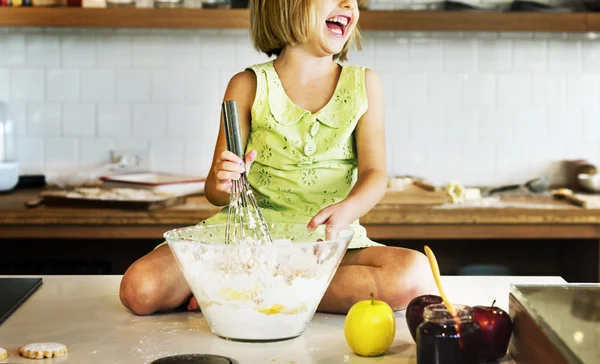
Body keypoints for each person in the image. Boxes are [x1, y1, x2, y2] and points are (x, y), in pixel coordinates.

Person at [119, 0, 434, 316]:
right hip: (246, 241)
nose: (347, 4)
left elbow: (375, 174)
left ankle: (238, 289)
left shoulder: (364, 84)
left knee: (415, 276)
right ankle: (268, 287)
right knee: (140, 288)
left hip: (324, 242)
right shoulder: (246, 86)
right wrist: (224, 182)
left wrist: (347, 210)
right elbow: (216, 194)